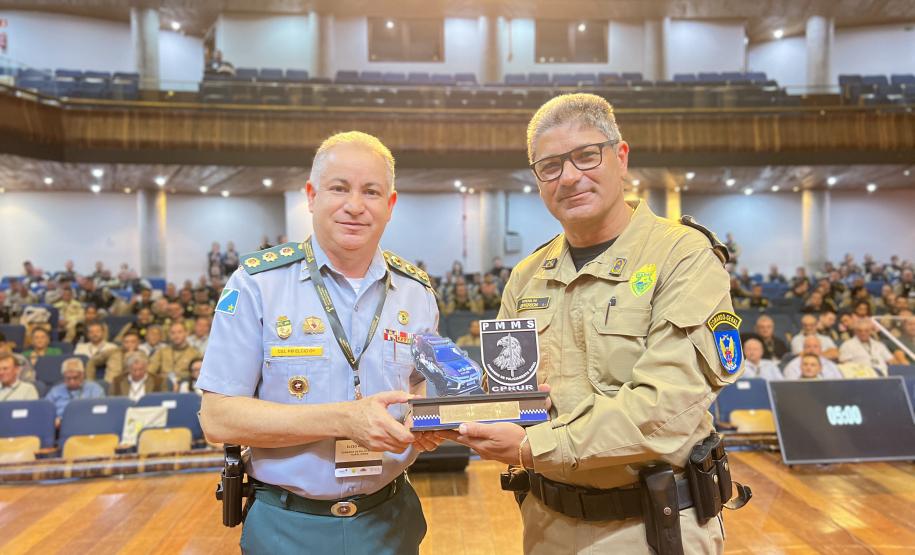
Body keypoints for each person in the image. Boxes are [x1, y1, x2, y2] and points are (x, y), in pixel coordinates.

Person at [442, 94, 742, 554]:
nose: (570, 177)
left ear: (620, 157)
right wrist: (440, 413)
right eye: (551, 166)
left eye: (586, 156)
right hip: (545, 524)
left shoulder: (682, 256)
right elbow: (507, 393)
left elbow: (666, 408)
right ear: (538, 180)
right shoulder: (527, 276)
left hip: (650, 528)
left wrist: (533, 447)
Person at [197, 131, 442, 554]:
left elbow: (417, 390)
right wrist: (345, 419)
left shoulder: (416, 293)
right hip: (287, 526)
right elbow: (217, 419)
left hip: (391, 520)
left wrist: (427, 423)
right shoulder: (257, 285)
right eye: (339, 188)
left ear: (391, 205)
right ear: (311, 196)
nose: (354, 205)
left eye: (371, 191)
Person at [45, 357, 105, 422]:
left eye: (75, 378)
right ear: (63, 377)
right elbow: (45, 411)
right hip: (62, 426)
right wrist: (53, 421)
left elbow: (102, 411)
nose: (72, 382)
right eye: (68, 378)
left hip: (89, 424)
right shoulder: (55, 391)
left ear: (82, 375)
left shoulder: (95, 389)